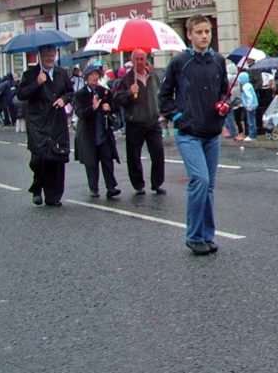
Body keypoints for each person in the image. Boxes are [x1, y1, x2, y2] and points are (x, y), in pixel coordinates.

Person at [158, 15, 230, 255]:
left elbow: (224, 92)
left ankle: (208, 235)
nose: (204, 36)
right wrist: (177, 117)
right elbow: (164, 96)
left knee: (209, 186)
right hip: (188, 132)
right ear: (189, 35)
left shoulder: (219, 61)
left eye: (207, 31)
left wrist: (223, 106)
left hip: (212, 132)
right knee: (200, 180)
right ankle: (194, 235)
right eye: (199, 32)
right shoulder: (180, 62)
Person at [18, 44, 73, 207]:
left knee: (56, 157)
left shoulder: (61, 73)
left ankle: (53, 196)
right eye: (47, 55)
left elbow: (70, 92)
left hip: (56, 120)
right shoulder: (30, 74)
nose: (50, 58)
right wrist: (37, 83)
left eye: (53, 55)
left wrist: (64, 99)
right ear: (40, 56)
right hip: (38, 122)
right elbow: (21, 95)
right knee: (39, 158)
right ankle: (37, 187)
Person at [114, 49, 166, 195]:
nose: (139, 62)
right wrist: (130, 92)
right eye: (136, 59)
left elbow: (160, 95)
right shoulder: (126, 79)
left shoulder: (153, 76)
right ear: (132, 60)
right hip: (135, 122)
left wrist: (162, 112)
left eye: (142, 59)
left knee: (158, 152)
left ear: (146, 60)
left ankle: (157, 183)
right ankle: (138, 184)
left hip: (152, 121)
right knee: (134, 156)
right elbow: (118, 100)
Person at [74, 65, 121, 199]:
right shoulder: (80, 94)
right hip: (88, 133)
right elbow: (79, 113)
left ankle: (111, 187)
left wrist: (109, 107)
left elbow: (115, 106)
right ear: (86, 77)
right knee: (91, 162)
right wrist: (92, 108)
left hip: (103, 132)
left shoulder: (104, 91)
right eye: (91, 75)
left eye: (96, 74)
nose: (94, 77)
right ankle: (93, 187)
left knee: (107, 159)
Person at [238, 71, 258, 141]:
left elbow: (249, 96)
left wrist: (249, 105)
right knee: (253, 120)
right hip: (253, 105)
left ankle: (251, 135)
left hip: (250, 106)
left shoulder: (245, 87)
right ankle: (253, 134)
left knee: (250, 121)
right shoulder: (249, 85)